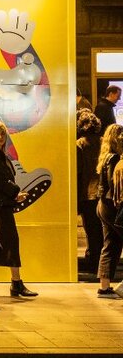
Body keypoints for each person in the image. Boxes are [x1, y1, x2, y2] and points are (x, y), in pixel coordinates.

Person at [0, 120, 38, 302]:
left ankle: (16, 282)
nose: (0, 136)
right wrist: (15, 192)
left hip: (2, 205)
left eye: (2, 133)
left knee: (9, 243)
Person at [96, 123, 123, 297]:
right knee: (111, 245)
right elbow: (115, 185)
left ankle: (104, 287)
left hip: (102, 205)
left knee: (110, 245)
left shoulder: (104, 156)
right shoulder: (114, 158)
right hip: (112, 206)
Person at [77, 109, 104, 275]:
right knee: (102, 229)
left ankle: (93, 261)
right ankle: (100, 262)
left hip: (87, 193)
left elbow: (78, 171)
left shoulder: (79, 144)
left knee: (91, 229)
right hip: (102, 192)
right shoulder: (104, 142)